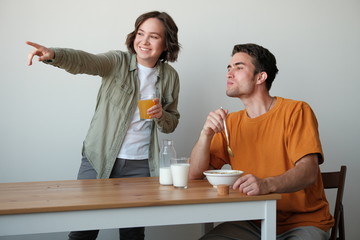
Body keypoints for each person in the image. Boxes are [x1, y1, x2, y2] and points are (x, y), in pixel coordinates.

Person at [27, 11, 180, 240]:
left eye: (154, 36)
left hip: (140, 166)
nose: (144, 41)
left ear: (167, 44)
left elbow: (171, 124)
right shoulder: (117, 62)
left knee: (132, 233)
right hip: (98, 158)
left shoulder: (170, 77)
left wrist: (160, 115)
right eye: (140, 33)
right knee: (84, 230)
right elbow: (86, 61)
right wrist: (54, 55)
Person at [189, 43, 334, 240]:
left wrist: (266, 185)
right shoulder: (230, 123)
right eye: (229, 68)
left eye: (239, 67)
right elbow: (193, 175)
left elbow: (308, 172)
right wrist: (205, 135)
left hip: (303, 222)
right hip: (253, 221)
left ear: (260, 77)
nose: (229, 74)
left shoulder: (296, 111)